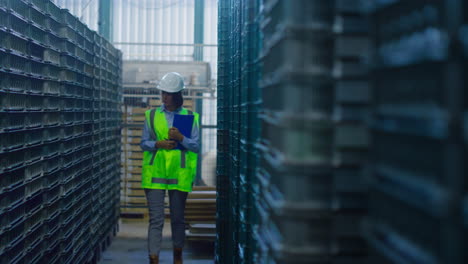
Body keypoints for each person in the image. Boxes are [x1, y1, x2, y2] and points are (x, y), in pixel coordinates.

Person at [140, 72, 200, 264]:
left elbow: (196, 146)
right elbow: (143, 143)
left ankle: (177, 256)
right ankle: (153, 258)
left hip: (178, 174)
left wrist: (181, 138)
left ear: (177, 95)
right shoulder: (150, 115)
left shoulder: (190, 117)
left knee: (177, 219)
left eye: (168, 93)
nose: (164, 97)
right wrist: (157, 144)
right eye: (163, 93)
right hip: (155, 175)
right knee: (156, 220)